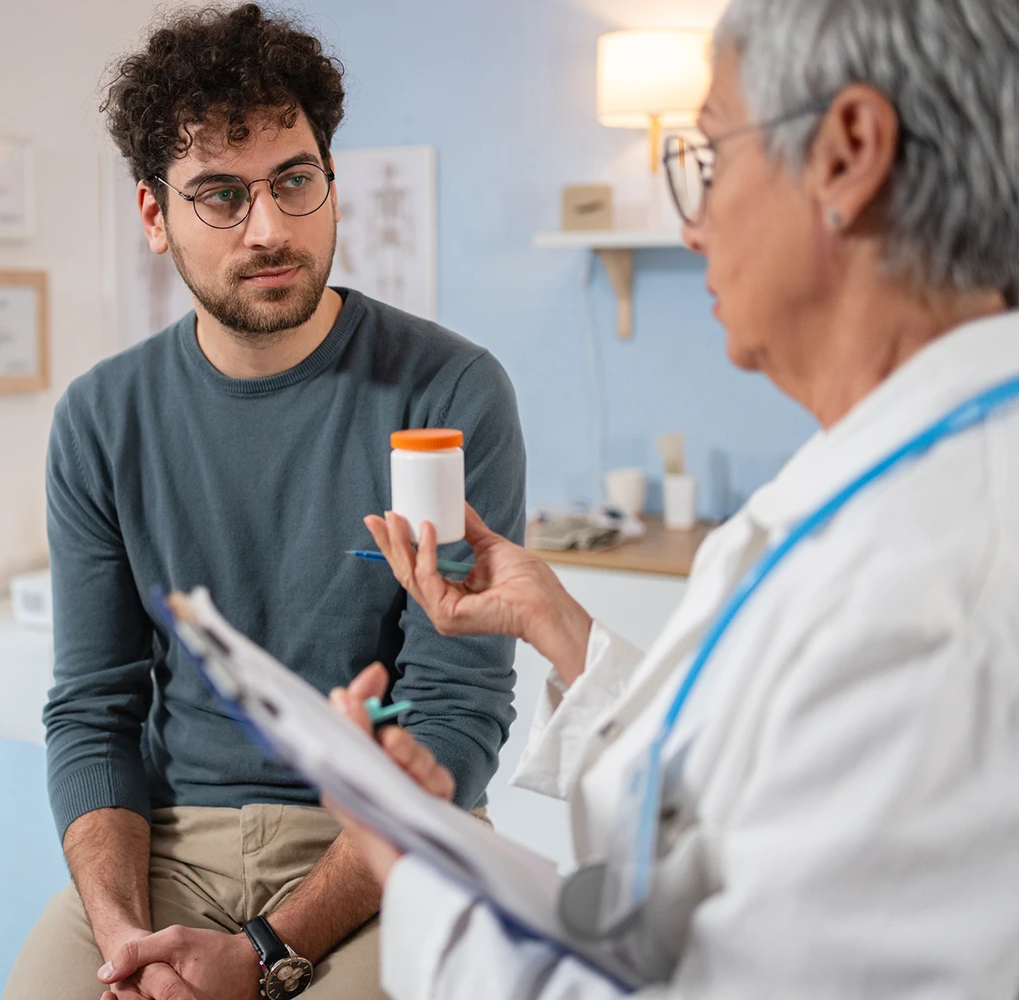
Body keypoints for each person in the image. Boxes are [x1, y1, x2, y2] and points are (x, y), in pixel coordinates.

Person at [328, 0, 1019, 996]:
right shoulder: (896, 478)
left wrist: (413, 867)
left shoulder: (937, 592)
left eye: (709, 154)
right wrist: (555, 624)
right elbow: (741, 802)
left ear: (848, 152)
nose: (692, 224)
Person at [2, 6, 527, 1000]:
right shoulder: (100, 419)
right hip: (170, 845)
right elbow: (93, 708)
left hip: (383, 839)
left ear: (332, 184)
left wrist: (260, 952)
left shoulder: (450, 394)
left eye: (295, 180)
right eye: (219, 196)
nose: (271, 228)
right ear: (153, 215)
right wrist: (122, 941)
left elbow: (460, 709)